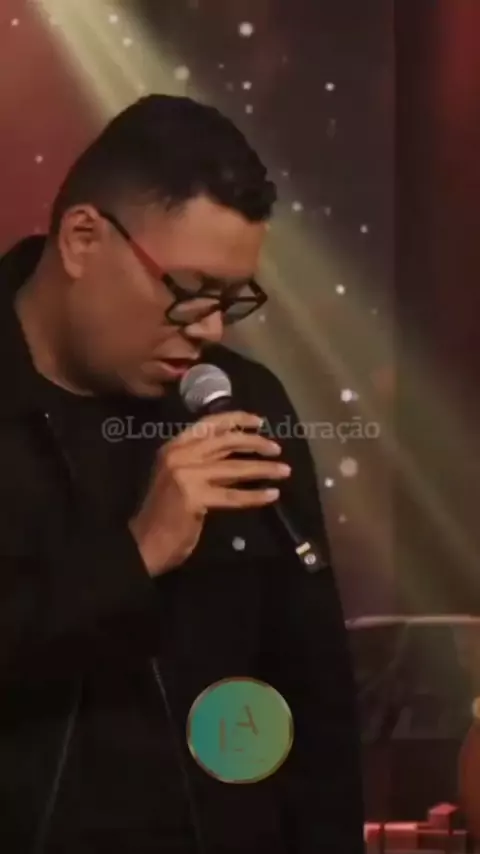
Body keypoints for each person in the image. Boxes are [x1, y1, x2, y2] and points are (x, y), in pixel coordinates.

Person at [0, 95, 364, 853]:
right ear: (83, 238)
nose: (210, 328)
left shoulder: (243, 403)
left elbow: (315, 699)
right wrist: (136, 554)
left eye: (232, 299)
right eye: (190, 291)